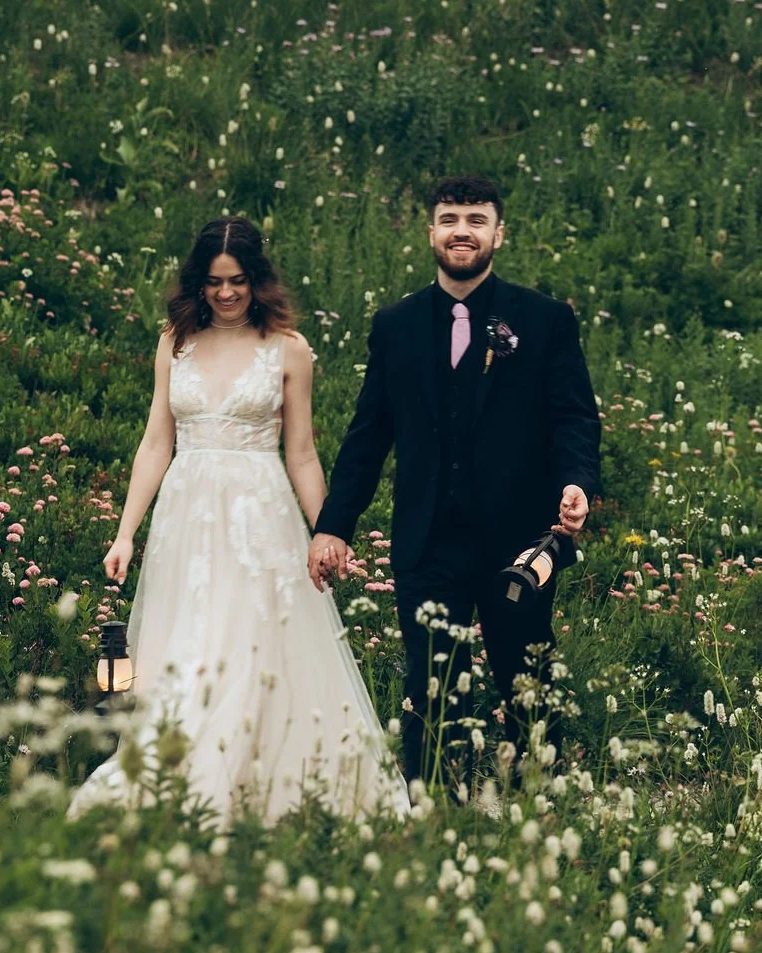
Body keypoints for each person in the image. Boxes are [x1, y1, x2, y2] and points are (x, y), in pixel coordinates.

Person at [69, 216, 411, 826]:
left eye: (237, 281)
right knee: (188, 645)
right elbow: (156, 441)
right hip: (187, 515)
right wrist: (126, 532)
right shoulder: (175, 341)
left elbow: (301, 451)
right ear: (196, 283)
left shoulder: (290, 349)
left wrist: (326, 530)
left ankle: (264, 786)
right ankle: (181, 781)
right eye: (213, 282)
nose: (225, 294)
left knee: (257, 644)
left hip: (260, 515)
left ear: (258, 280)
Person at [309, 175, 602, 789]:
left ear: (499, 232)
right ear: (431, 232)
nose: (461, 231)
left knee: (528, 681)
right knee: (431, 685)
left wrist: (576, 483)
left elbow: (573, 416)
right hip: (427, 540)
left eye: (475, 219)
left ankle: (534, 803)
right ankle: (431, 808)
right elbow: (368, 436)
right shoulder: (396, 325)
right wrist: (333, 525)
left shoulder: (544, 320)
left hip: (518, 543)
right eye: (449, 219)